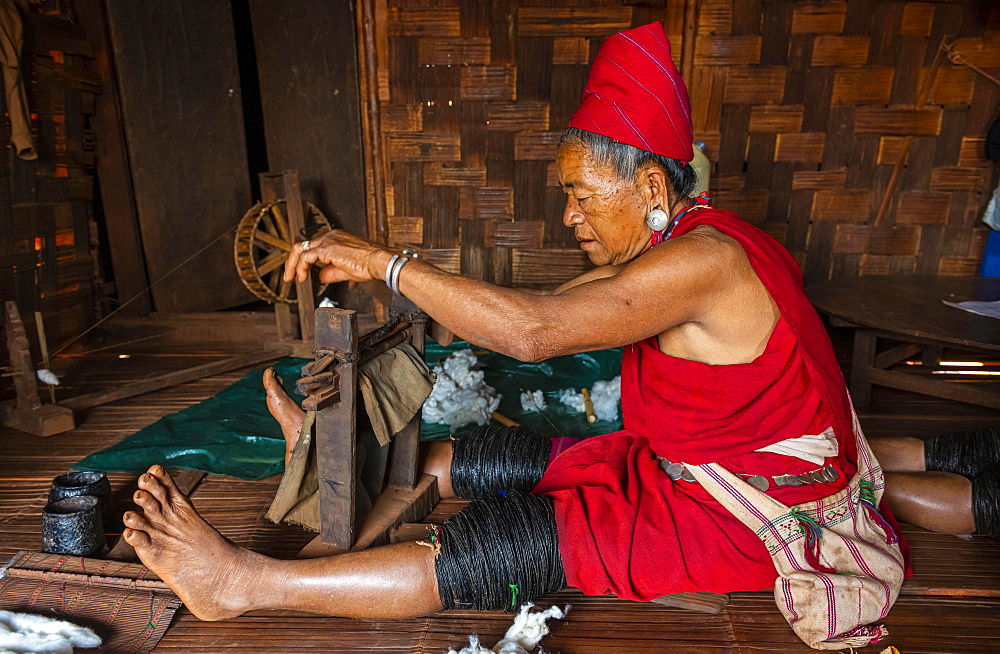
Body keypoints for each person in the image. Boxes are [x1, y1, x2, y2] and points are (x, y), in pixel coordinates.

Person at [119, 22, 997, 623]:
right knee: (535, 458)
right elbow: (565, 313)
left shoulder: (706, 261)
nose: (570, 218)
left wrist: (385, 263)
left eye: (581, 196)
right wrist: (335, 433)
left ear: (650, 188)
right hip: (687, 464)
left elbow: (532, 333)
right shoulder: (699, 238)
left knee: (518, 543)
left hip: (731, 506)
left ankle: (246, 585)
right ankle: (356, 468)